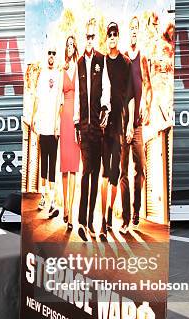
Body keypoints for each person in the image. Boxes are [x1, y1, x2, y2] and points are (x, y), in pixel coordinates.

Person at [76, 18, 111, 241]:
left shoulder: (101, 60)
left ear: (95, 38)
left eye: (92, 37)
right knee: (87, 171)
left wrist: (106, 108)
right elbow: (78, 95)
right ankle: (82, 222)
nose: (89, 40)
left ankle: (91, 221)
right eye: (86, 37)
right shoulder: (79, 62)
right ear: (84, 38)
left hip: (98, 126)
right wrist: (76, 123)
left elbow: (106, 86)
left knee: (96, 173)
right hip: (84, 126)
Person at [120, 16, 153, 234]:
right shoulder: (122, 59)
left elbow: (148, 86)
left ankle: (136, 211)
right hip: (123, 124)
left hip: (139, 124)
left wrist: (147, 106)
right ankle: (124, 218)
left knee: (140, 168)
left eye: (136, 29)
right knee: (123, 172)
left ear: (138, 32)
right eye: (130, 28)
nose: (133, 32)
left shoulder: (142, 57)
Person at [101, 22, 131, 239]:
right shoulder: (101, 62)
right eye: (109, 34)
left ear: (118, 37)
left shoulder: (126, 63)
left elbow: (129, 98)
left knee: (114, 174)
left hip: (119, 125)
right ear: (106, 38)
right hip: (103, 125)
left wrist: (129, 125)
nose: (112, 37)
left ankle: (110, 213)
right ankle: (103, 219)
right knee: (103, 174)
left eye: (115, 34)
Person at [31, 45, 60, 219]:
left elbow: (60, 102)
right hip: (43, 126)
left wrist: (57, 123)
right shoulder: (42, 75)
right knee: (44, 164)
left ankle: (53, 200)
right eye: (49, 53)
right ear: (46, 55)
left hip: (53, 127)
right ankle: (43, 196)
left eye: (54, 53)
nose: (51, 55)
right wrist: (34, 116)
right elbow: (37, 98)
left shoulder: (58, 75)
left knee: (53, 165)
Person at [59, 35, 80, 229]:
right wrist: (57, 125)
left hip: (76, 119)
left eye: (73, 44)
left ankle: (71, 212)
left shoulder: (80, 67)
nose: (70, 47)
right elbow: (58, 96)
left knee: (74, 168)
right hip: (63, 117)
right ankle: (65, 206)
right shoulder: (62, 69)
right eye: (68, 45)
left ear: (76, 47)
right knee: (65, 167)